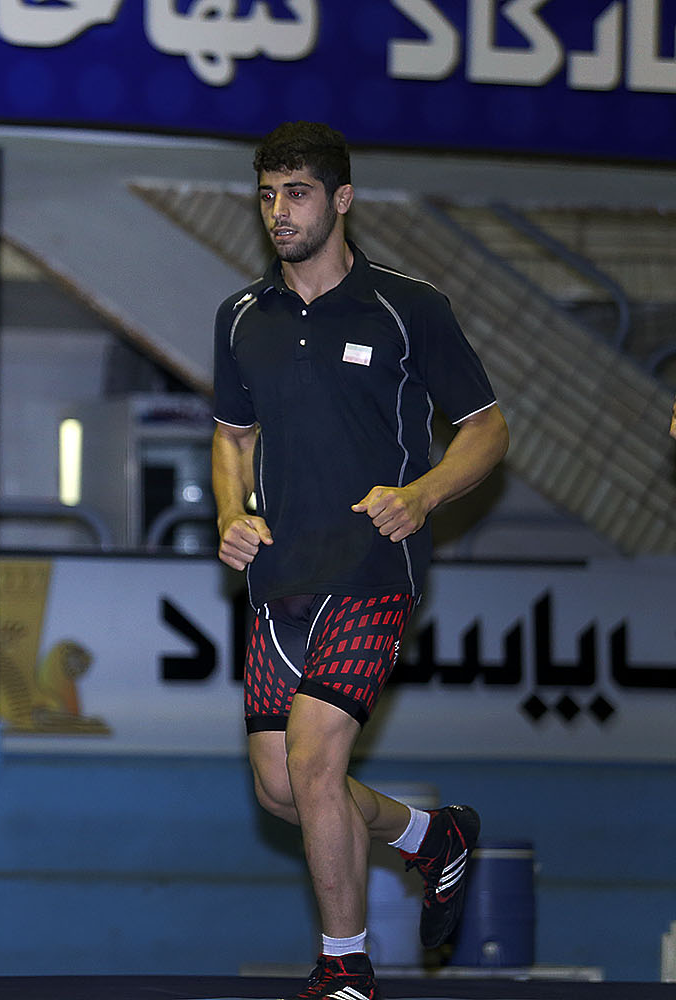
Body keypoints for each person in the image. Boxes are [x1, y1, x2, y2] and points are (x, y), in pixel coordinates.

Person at [211, 121, 510, 1000]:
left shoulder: (408, 308)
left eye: (297, 193)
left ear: (341, 200)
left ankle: (345, 969)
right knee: (283, 788)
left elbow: (487, 428)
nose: (279, 211)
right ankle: (429, 835)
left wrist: (424, 495)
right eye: (267, 194)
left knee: (315, 764)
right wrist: (230, 512)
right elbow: (232, 437)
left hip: (374, 566)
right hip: (279, 577)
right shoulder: (241, 317)